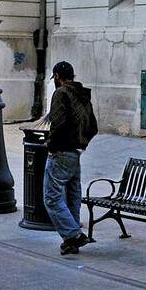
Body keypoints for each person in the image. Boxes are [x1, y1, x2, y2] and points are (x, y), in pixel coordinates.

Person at [41, 60, 99, 256]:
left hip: (61, 152)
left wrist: (51, 146)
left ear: (57, 77)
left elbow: (57, 124)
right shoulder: (83, 94)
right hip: (76, 153)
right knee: (73, 196)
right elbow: (93, 127)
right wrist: (81, 144)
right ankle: (71, 241)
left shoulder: (61, 93)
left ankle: (73, 234)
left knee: (51, 196)